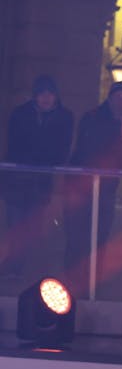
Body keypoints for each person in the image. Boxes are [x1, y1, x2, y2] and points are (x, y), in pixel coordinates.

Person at [62, 82, 122, 286]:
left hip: (107, 187)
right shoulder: (93, 117)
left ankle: (94, 280)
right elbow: (88, 150)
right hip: (79, 184)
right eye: (119, 97)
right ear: (110, 97)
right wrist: (120, 137)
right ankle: (71, 278)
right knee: (76, 233)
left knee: (101, 233)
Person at [3, 75, 73, 276]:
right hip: (17, 181)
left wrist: (39, 158)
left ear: (56, 96)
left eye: (49, 93)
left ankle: (24, 268)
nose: (45, 98)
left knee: (32, 227)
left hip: (40, 182)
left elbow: (60, 150)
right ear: (35, 95)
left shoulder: (64, 117)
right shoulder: (20, 114)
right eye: (42, 93)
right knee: (15, 225)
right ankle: (14, 267)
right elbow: (15, 146)